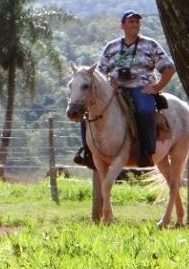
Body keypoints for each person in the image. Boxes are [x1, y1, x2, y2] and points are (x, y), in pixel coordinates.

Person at [75, 10, 176, 168]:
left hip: (141, 88)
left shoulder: (150, 44)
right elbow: (100, 72)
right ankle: (88, 153)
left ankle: (146, 152)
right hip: (115, 89)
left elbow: (169, 68)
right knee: (86, 112)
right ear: (122, 25)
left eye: (137, 22)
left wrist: (157, 87)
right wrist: (108, 83)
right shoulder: (112, 47)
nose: (134, 25)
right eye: (131, 22)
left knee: (144, 110)